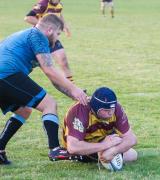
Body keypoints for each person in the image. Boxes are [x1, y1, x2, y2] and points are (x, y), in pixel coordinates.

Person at [0, 14, 88, 165]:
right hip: (7, 74)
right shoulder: (38, 36)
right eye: (58, 33)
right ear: (49, 30)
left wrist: (74, 94)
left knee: (24, 110)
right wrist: (74, 88)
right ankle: (54, 149)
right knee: (49, 104)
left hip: (5, 75)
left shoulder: (30, 36)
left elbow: (53, 79)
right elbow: (49, 70)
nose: (57, 38)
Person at [61, 87, 137, 165]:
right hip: (84, 146)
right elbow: (73, 147)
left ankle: (104, 154)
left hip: (103, 139)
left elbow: (131, 139)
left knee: (132, 155)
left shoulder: (116, 108)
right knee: (129, 155)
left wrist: (114, 151)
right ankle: (101, 155)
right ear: (96, 108)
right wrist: (105, 145)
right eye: (106, 110)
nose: (111, 113)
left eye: (112, 109)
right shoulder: (79, 111)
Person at [24, 0, 73, 81]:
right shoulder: (43, 4)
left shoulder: (59, 5)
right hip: (39, 39)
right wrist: (45, 27)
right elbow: (28, 18)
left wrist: (64, 26)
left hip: (52, 38)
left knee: (63, 61)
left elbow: (59, 15)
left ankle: (72, 87)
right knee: (30, 65)